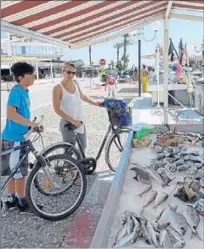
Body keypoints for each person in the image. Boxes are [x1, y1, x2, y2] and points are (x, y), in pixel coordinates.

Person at [1, 62, 41, 211]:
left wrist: (31, 125)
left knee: (12, 171)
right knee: (20, 173)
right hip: (15, 139)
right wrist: (30, 123)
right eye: (31, 74)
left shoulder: (24, 91)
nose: (34, 77)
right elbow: (11, 113)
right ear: (21, 77)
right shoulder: (16, 92)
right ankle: (22, 201)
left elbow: (21, 114)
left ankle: (11, 199)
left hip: (17, 137)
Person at [52, 62, 102, 151]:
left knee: (83, 147)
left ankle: (78, 165)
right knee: (69, 151)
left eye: (73, 73)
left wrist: (94, 103)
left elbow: (82, 96)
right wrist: (72, 121)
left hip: (80, 121)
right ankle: (67, 165)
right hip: (68, 123)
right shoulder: (57, 88)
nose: (71, 75)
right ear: (63, 72)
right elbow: (56, 110)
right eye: (68, 72)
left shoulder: (75, 83)